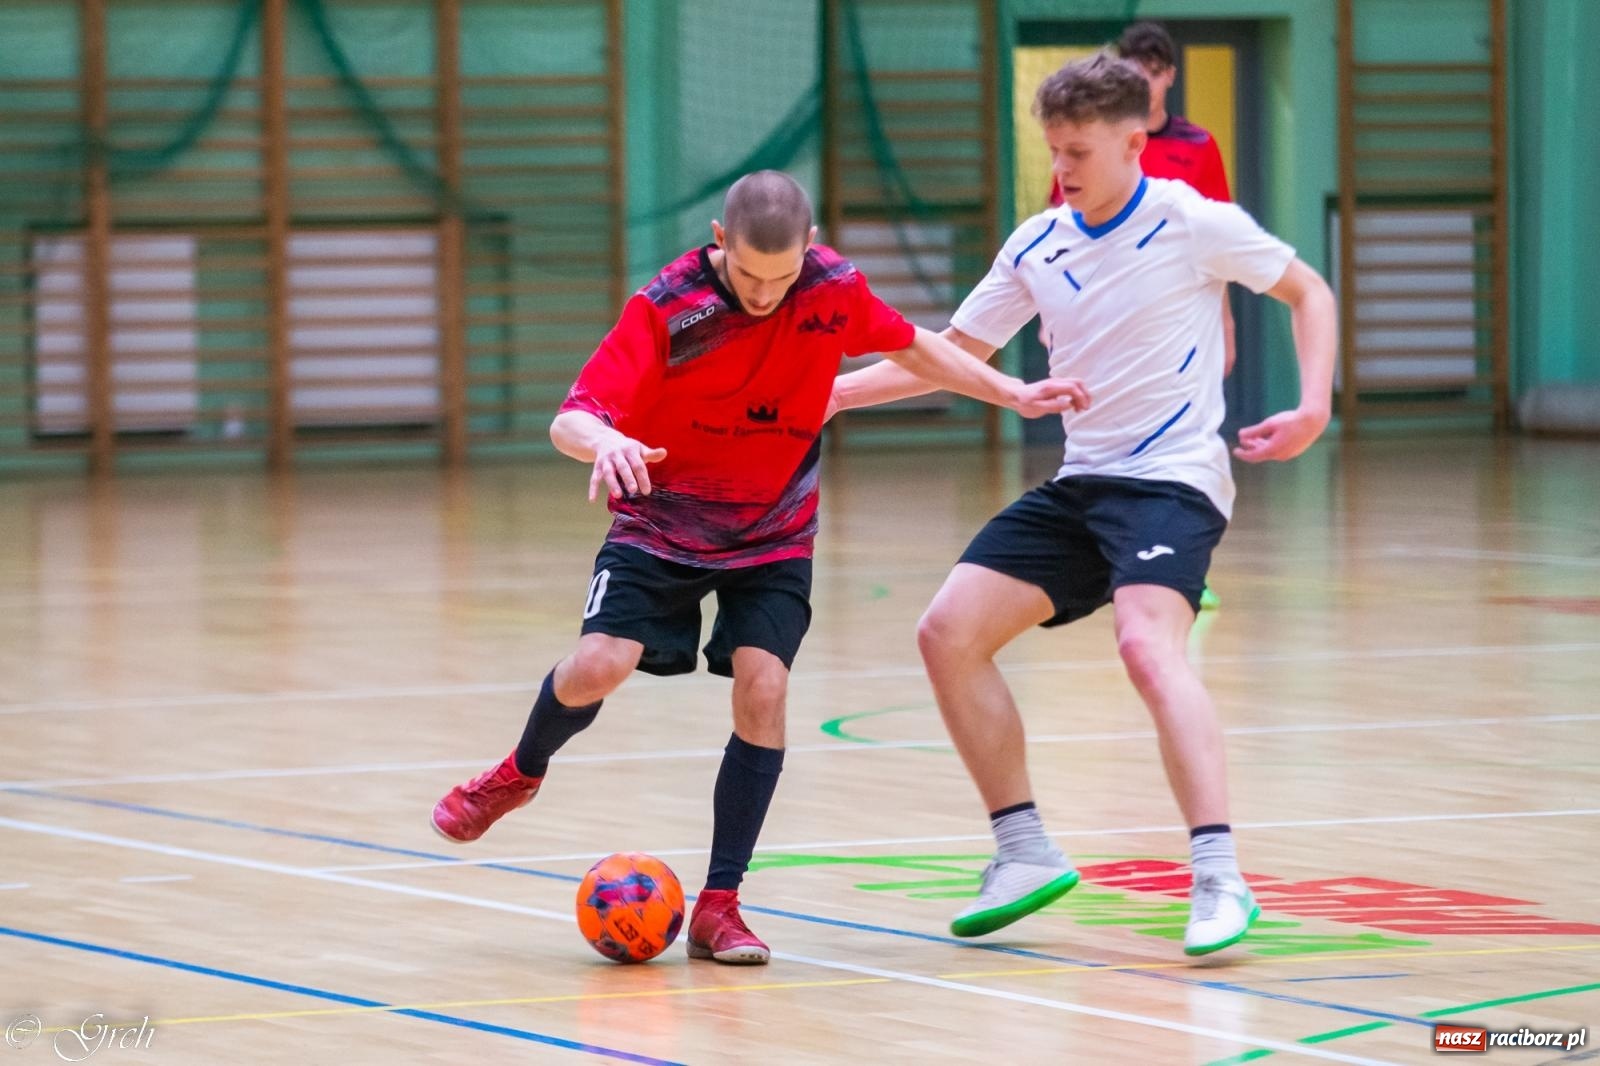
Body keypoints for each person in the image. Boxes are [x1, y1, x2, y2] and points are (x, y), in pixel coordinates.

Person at [429, 170, 1088, 966]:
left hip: (774, 531)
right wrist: (608, 443)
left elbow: (917, 346)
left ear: (807, 250)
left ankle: (720, 905)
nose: (767, 294)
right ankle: (519, 772)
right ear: (719, 243)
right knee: (600, 664)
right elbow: (572, 416)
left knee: (764, 687)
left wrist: (1011, 392)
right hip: (661, 520)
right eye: (748, 275)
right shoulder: (671, 307)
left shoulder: (831, 289)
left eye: (782, 277)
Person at [829, 56, 1336, 956]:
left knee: (1145, 644)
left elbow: (1309, 291)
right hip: (1083, 483)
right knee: (947, 632)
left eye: (1079, 152)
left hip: (1173, 478)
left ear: (1134, 141)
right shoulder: (1036, 245)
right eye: (1053, 151)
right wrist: (829, 395)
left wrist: (1312, 405)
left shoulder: (1193, 224)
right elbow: (948, 353)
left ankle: (1218, 875)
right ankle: (1022, 850)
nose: (1062, 169)